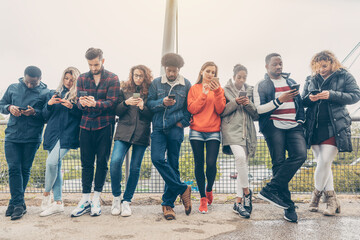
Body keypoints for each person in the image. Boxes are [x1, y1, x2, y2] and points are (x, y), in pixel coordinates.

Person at [302, 50, 360, 216]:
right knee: (324, 165)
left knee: (324, 161)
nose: (321, 70)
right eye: (318, 66)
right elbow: (302, 100)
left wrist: (331, 95)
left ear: (332, 63)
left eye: (324, 66)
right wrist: (309, 99)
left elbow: (356, 95)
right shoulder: (311, 79)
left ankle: (315, 197)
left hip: (335, 126)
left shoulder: (344, 76)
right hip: (314, 127)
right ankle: (332, 201)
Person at [253, 53, 307, 223]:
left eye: (280, 63)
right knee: (279, 163)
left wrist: (300, 118)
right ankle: (288, 207)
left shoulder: (290, 82)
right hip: (273, 125)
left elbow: (298, 102)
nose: (279, 67)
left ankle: (270, 189)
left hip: (294, 126)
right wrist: (279, 100)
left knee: (301, 155)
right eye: (275, 64)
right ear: (267, 66)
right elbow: (258, 109)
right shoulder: (261, 84)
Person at [71, 48, 120, 217]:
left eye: (96, 64)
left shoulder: (113, 78)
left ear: (103, 61)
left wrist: (95, 104)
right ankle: (85, 199)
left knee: (102, 163)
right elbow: (77, 103)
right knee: (86, 163)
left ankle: (96, 199)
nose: (93, 67)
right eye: (90, 64)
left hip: (105, 125)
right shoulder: (82, 78)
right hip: (85, 125)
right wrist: (82, 102)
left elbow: (113, 103)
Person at [0, 66, 50, 220]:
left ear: (40, 79)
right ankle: (19, 204)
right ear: (23, 77)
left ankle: (14, 203)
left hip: (32, 137)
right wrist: (9, 107)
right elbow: (1, 105)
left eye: (33, 83)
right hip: (12, 136)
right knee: (14, 169)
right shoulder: (13, 88)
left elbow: (46, 116)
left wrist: (34, 112)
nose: (30, 85)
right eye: (27, 82)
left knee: (24, 170)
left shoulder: (45, 93)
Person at [147, 53, 192, 220]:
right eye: (169, 70)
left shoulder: (186, 84)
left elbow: (189, 109)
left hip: (176, 128)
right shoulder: (156, 83)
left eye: (174, 71)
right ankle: (182, 188)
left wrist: (182, 123)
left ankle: (168, 205)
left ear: (179, 69)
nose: (171, 73)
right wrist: (162, 103)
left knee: (173, 165)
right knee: (157, 159)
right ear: (165, 68)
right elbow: (149, 104)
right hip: (158, 128)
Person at [110, 65, 153, 217]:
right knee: (115, 162)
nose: (138, 78)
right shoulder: (124, 89)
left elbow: (152, 115)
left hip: (141, 133)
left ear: (145, 77)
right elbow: (116, 110)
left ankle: (126, 201)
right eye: (136, 75)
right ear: (132, 75)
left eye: (141, 76)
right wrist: (126, 103)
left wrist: (143, 107)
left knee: (135, 168)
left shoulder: (150, 91)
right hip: (123, 132)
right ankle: (116, 197)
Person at [39, 67, 82, 217]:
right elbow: (44, 116)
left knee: (51, 163)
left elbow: (83, 115)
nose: (69, 82)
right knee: (56, 166)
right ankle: (58, 203)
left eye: (72, 79)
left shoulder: (79, 96)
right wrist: (49, 104)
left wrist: (72, 107)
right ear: (62, 79)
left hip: (68, 135)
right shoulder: (53, 93)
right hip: (52, 133)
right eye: (66, 78)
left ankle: (46, 194)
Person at [187, 61, 226, 213]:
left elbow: (220, 109)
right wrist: (203, 93)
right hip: (196, 130)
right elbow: (192, 109)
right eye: (208, 71)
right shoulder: (194, 89)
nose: (210, 74)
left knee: (211, 163)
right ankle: (203, 198)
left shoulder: (219, 90)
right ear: (202, 71)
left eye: (213, 72)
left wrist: (216, 92)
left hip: (213, 131)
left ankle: (209, 189)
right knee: (199, 163)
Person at [220, 64, 258, 218]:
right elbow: (221, 111)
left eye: (244, 77)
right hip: (231, 131)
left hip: (247, 133)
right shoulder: (225, 90)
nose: (241, 80)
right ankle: (247, 192)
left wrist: (248, 103)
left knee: (242, 168)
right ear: (234, 76)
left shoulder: (251, 90)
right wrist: (236, 102)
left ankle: (238, 202)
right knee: (240, 158)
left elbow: (256, 115)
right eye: (239, 77)